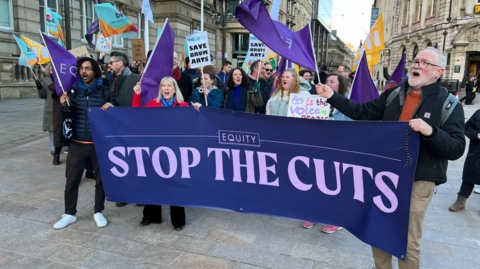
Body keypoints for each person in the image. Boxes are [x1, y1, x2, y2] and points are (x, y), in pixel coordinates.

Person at [316, 47, 465, 269]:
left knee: (406, 241)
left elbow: (456, 148)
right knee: (379, 231)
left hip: (419, 178)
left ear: (439, 72)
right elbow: (362, 113)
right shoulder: (394, 94)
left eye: (425, 63)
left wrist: (431, 131)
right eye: (416, 61)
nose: (416, 65)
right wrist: (332, 97)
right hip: (384, 175)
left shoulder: (449, 104)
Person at [53, 57, 118, 230]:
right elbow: (66, 116)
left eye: (88, 68)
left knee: (101, 180)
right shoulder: (73, 91)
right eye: (81, 68)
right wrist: (63, 104)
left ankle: (98, 211)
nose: (84, 71)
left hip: (99, 145)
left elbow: (117, 111)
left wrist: (112, 107)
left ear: (95, 71)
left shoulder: (105, 91)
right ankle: (69, 214)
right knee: (71, 180)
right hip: (77, 144)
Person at [131, 77, 201, 231]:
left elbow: (195, 124)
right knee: (152, 183)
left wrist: (197, 110)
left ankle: (178, 221)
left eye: (170, 85)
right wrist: (136, 95)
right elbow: (136, 116)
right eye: (163, 85)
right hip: (155, 150)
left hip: (174, 152)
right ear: (160, 89)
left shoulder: (183, 106)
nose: (166, 88)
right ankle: (151, 216)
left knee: (174, 185)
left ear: (175, 89)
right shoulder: (153, 105)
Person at [301, 73, 352, 232]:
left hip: (340, 150)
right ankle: (316, 214)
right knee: (318, 183)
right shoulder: (317, 102)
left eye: (332, 81)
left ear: (340, 85)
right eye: (327, 81)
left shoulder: (348, 104)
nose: (327, 83)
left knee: (337, 185)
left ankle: (338, 218)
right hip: (319, 148)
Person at [449, 109, 480, 212]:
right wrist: (476, 135)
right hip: (476, 153)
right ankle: (461, 201)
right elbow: (466, 127)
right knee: (469, 177)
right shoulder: (479, 113)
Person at [35, 64, 54, 156]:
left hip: (62, 106)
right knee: (52, 128)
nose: (52, 70)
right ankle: (53, 148)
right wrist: (39, 88)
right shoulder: (45, 80)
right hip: (50, 106)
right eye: (51, 68)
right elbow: (43, 95)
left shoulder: (62, 79)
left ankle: (65, 146)